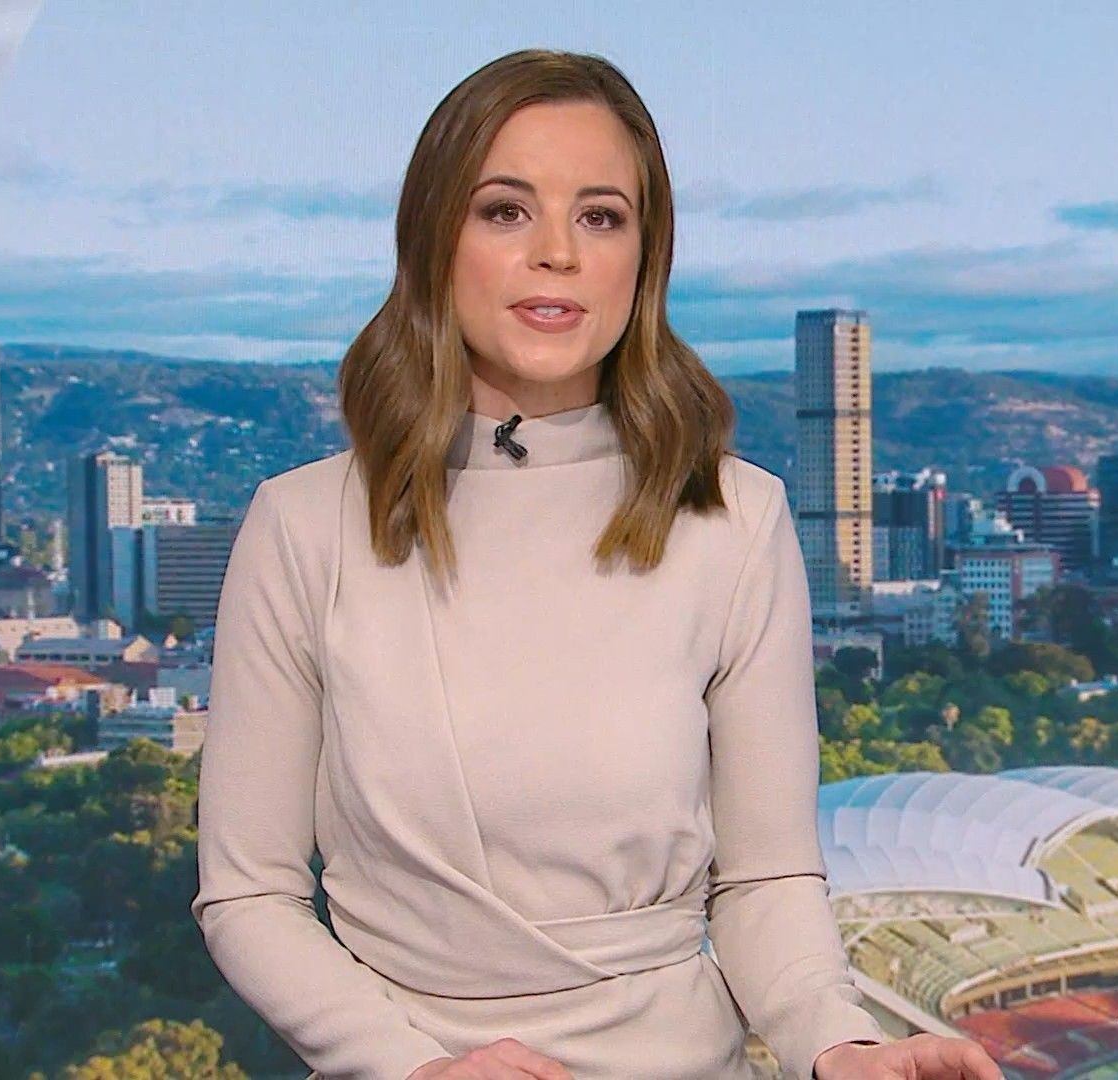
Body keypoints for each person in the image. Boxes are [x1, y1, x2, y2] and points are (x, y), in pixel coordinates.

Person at [191, 48, 1003, 1080]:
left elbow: (764, 880)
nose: (558, 255)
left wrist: (837, 1043)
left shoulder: (736, 519)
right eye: (505, 210)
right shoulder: (302, 526)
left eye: (601, 217)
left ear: (643, 259)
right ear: (434, 239)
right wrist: (410, 1067)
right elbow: (251, 894)